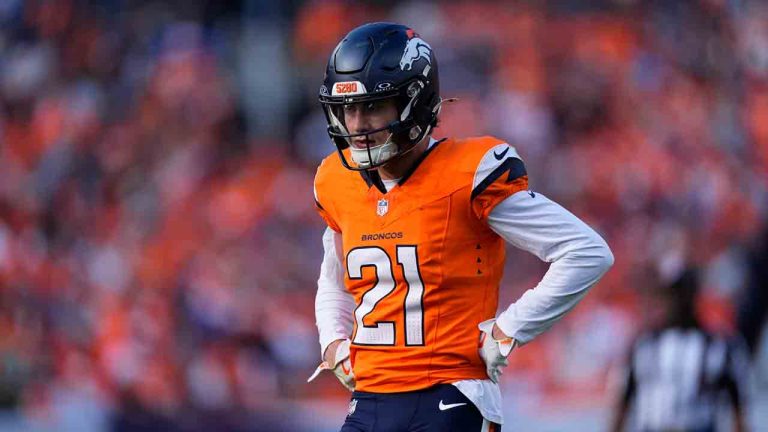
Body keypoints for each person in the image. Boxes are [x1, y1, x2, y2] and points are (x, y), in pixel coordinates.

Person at [307, 22, 613, 431]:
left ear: (414, 102)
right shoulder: (336, 181)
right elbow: (334, 277)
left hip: (450, 394)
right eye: (349, 109)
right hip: (370, 398)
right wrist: (332, 341)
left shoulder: (467, 172)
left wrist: (510, 329)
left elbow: (586, 251)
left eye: (373, 107)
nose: (357, 124)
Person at [610, 268, 749, 432]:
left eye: (675, 295)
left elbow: (738, 407)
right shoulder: (643, 345)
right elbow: (622, 403)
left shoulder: (719, 347)